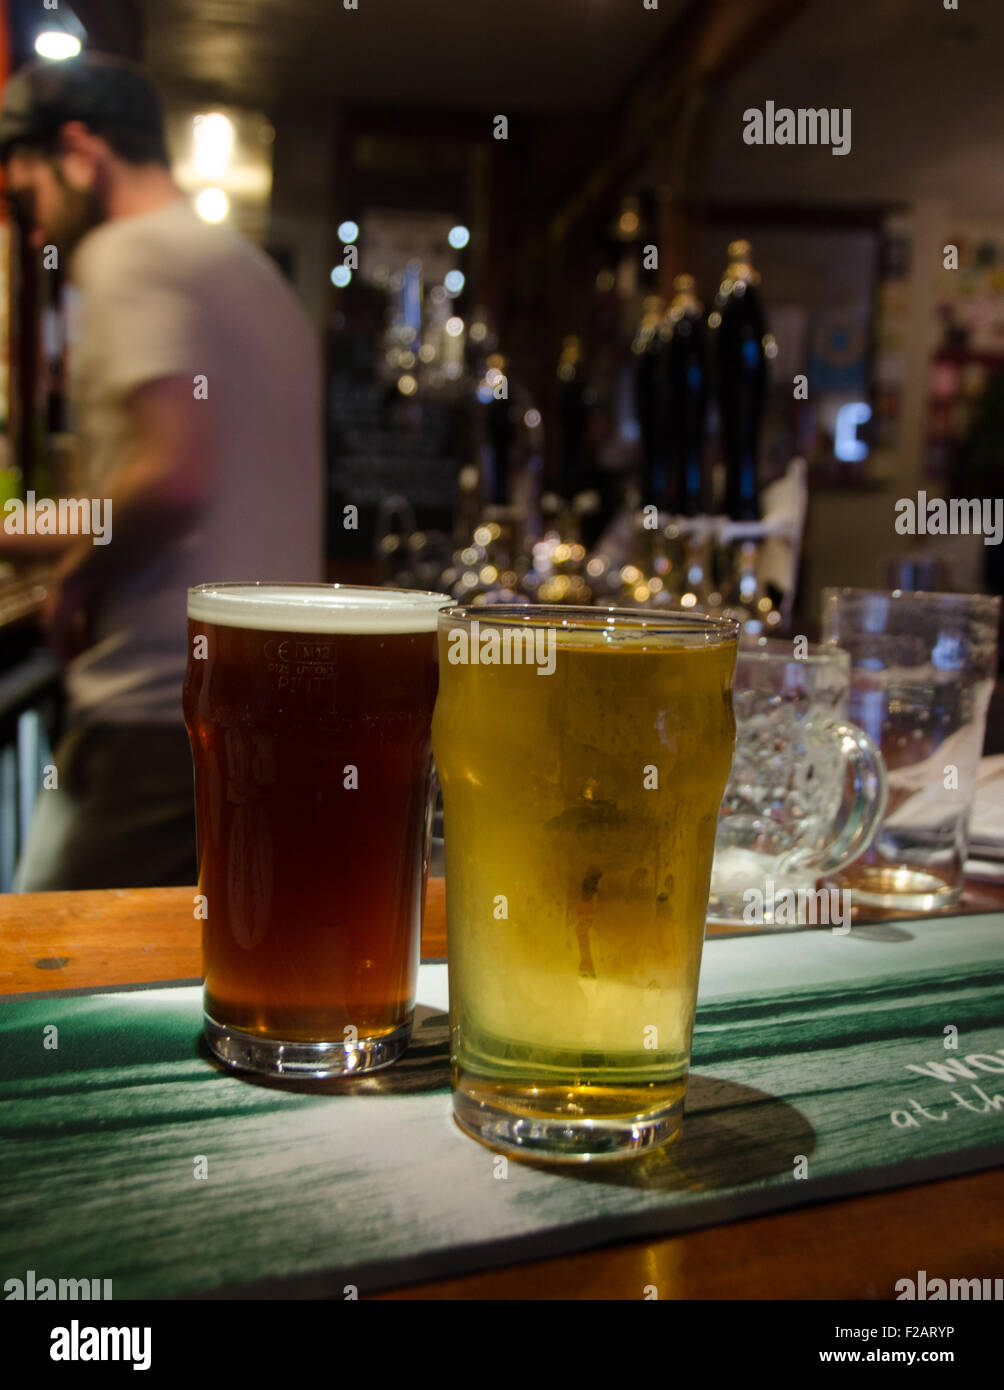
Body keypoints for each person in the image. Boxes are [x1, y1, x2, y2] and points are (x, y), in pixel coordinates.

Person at [0, 54, 323, 889]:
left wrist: (48, 550)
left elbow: (174, 476)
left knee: (47, 981)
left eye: (24, 194)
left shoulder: (129, 254)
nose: (32, 232)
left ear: (80, 152)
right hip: (268, 697)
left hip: (157, 706)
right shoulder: (251, 270)